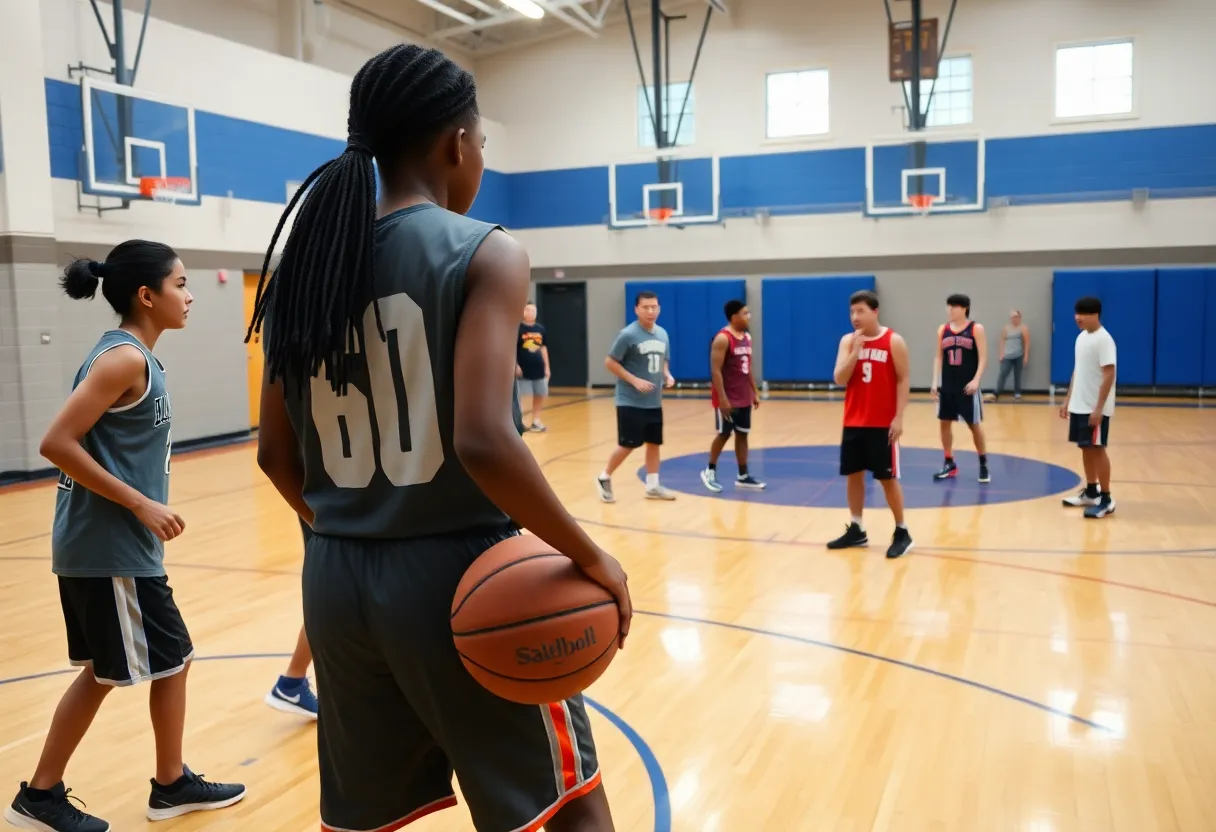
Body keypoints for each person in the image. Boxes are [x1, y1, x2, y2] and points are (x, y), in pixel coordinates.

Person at [244, 44, 631, 832]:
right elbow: (484, 441)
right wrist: (591, 557)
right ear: (458, 143)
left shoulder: (302, 266)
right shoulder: (486, 249)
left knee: (364, 821)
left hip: (336, 584)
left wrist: (354, 537)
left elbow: (273, 456)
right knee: (570, 810)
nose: (481, 159)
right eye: (483, 142)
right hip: (457, 571)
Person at [5, 242, 245, 832]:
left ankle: (163, 783)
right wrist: (140, 504)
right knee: (164, 660)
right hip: (108, 548)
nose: (190, 296)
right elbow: (56, 442)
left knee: (130, 668)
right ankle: (61, 794)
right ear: (147, 295)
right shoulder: (122, 359)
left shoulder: (136, 357)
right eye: (181, 284)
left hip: (111, 548)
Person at [826, 291, 914, 559]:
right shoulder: (847, 341)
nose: (855, 317)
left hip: (882, 424)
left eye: (860, 311)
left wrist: (898, 417)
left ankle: (902, 531)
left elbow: (903, 379)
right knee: (853, 475)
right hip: (854, 420)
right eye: (852, 312)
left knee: (887, 479)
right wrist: (855, 352)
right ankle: (857, 528)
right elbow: (840, 378)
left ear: (875, 311)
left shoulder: (894, 341)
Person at [596, 291, 677, 503]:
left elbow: (664, 361)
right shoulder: (628, 335)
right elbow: (610, 362)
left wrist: (667, 375)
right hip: (629, 400)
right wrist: (635, 381)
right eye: (646, 307)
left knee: (653, 443)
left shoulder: (662, 334)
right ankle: (604, 477)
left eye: (654, 307)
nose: (651, 311)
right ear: (636, 309)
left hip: (653, 401)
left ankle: (652, 486)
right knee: (629, 444)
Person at [1059, 296, 1117, 518]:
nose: (1077, 318)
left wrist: (1098, 409)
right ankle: (1091, 491)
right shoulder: (1081, 338)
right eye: (1076, 313)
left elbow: (1109, 373)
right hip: (1079, 405)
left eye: (1082, 314)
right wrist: (1067, 400)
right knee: (1086, 447)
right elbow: (1078, 371)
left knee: (1097, 448)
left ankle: (1107, 498)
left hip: (1095, 407)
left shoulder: (1104, 339)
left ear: (1095, 315)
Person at [700, 300, 765, 492]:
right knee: (724, 433)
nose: (748, 316)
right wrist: (723, 399)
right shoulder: (723, 338)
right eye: (745, 313)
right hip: (728, 397)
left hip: (743, 395)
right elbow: (716, 371)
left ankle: (743, 475)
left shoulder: (747, 337)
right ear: (734, 317)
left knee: (743, 434)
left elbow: (747, 368)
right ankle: (709, 470)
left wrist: (754, 391)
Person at [931, 293, 990, 483]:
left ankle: (983, 463)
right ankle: (949, 462)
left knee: (974, 426)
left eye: (953, 307)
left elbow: (983, 358)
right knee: (944, 423)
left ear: (964, 308)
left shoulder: (976, 328)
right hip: (948, 386)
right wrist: (934, 381)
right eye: (948, 307)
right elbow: (938, 356)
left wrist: (976, 380)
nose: (949, 310)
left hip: (967, 387)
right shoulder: (943, 329)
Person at [264, 519, 319, 721]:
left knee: (337, 600)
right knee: (331, 599)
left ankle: (293, 681)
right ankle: (293, 681)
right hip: (329, 513)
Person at [516, 301, 550, 432]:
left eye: (533, 310)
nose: (530, 313)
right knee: (522, 396)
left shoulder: (540, 329)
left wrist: (547, 367)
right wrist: (515, 365)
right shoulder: (518, 329)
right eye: (528, 310)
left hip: (539, 368)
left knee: (539, 394)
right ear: (523, 312)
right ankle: (520, 422)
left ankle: (536, 421)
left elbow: (543, 349)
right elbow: (511, 349)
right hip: (523, 369)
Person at [995, 309, 1030, 400]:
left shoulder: (1023, 328)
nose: (1014, 319)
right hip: (1007, 356)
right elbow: (1002, 341)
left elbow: (1026, 343)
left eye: (1016, 317)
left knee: (1017, 374)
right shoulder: (1006, 328)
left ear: (1019, 317)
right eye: (1012, 317)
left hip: (1018, 355)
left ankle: (1017, 392)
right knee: (1003, 373)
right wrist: (1001, 354)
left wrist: (1026, 356)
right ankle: (997, 392)